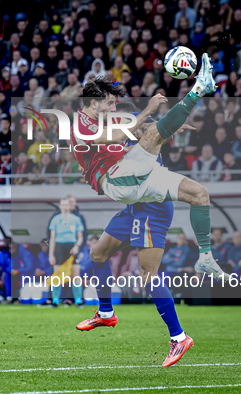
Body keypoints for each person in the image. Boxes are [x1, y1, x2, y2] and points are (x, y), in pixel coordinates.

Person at [71, 60, 227, 283]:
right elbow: (117, 136)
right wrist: (149, 111)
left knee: (200, 194)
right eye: (110, 104)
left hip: (130, 175)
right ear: (94, 103)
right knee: (154, 134)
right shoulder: (81, 123)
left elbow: (116, 139)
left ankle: (205, 257)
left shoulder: (96, 121)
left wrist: (168, 124)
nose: (114, 108)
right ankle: (199, 88)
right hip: (115, 179)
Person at [74, 102, 198, 368]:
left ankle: (179, 337)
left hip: (153, 207)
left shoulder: (139, 141)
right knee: (98, 253)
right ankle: (106, 313)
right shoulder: (131, 135)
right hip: (136, 208)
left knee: (148, 275)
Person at [48, 197, 84, 307]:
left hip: (72, 247)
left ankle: (78, 301)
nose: (64, 207)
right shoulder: (55, 219)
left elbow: (80, 237)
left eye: (66, 205)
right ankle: (55, 301)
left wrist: (77, 246)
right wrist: (51, 254)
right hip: (59, 247)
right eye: (62, 205)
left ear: (70, 206)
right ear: (60, 206)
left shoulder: (76, 219)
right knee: (57, 276)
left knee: (75, 275)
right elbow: (52, 238)